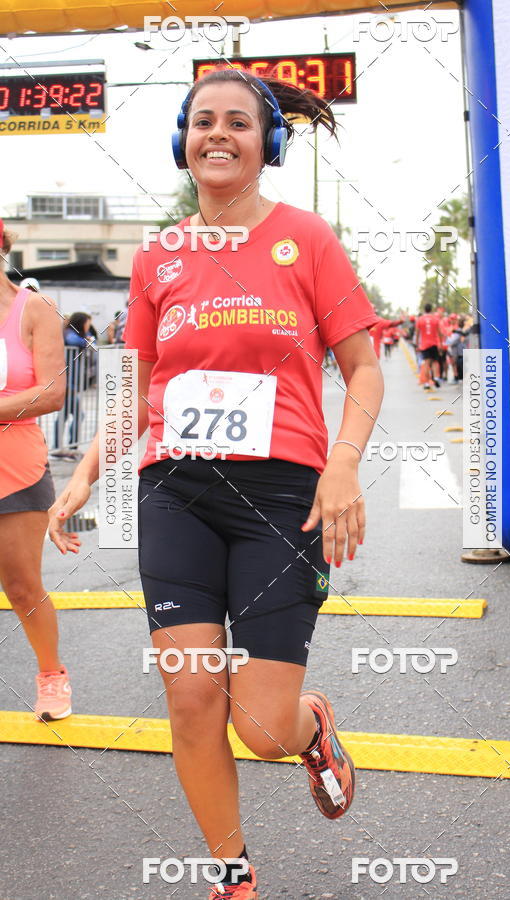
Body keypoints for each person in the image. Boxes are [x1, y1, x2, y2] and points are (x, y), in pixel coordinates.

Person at [48, 69, 384, 898]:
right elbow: (135, 382)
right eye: (203, 122)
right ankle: (233, 875)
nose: (218, 135)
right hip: (176, 493)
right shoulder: (159, 256)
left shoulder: (305, 239)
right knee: (193, 695)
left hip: (282, 494)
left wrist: (342, 462)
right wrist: (85, 476)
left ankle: (312, 731)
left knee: (262, 725)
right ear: (182, 142)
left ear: (265, 144)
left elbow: (365, 366)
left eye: (237, 122)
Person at [0, 217, 73, 720]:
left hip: (14, 468)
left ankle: (52, 676)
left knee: (22, 585)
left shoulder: (35, 308)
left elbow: (53, 391)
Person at [53, 311, 95, 453]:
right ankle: (69, 447)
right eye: (87, 323)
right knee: (77, 415)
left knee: (64, 415)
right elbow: (73, 341)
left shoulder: (70, 333)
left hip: (70, 382)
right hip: (67, 382)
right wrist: (87, 341)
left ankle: (62, 447)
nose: (88, 327)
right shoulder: (69, 333)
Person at [415, 302, 444, 389]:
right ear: (431, 309)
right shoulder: (435, 319)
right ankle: (436, 378)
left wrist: (417, 345)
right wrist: (441, 344)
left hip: (424, 344)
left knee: (426, 363)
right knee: (435, 362)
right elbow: (439, 333)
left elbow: (417, 333)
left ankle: (427, 383)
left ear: (424, 309)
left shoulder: (420, 319)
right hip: (434, 343)